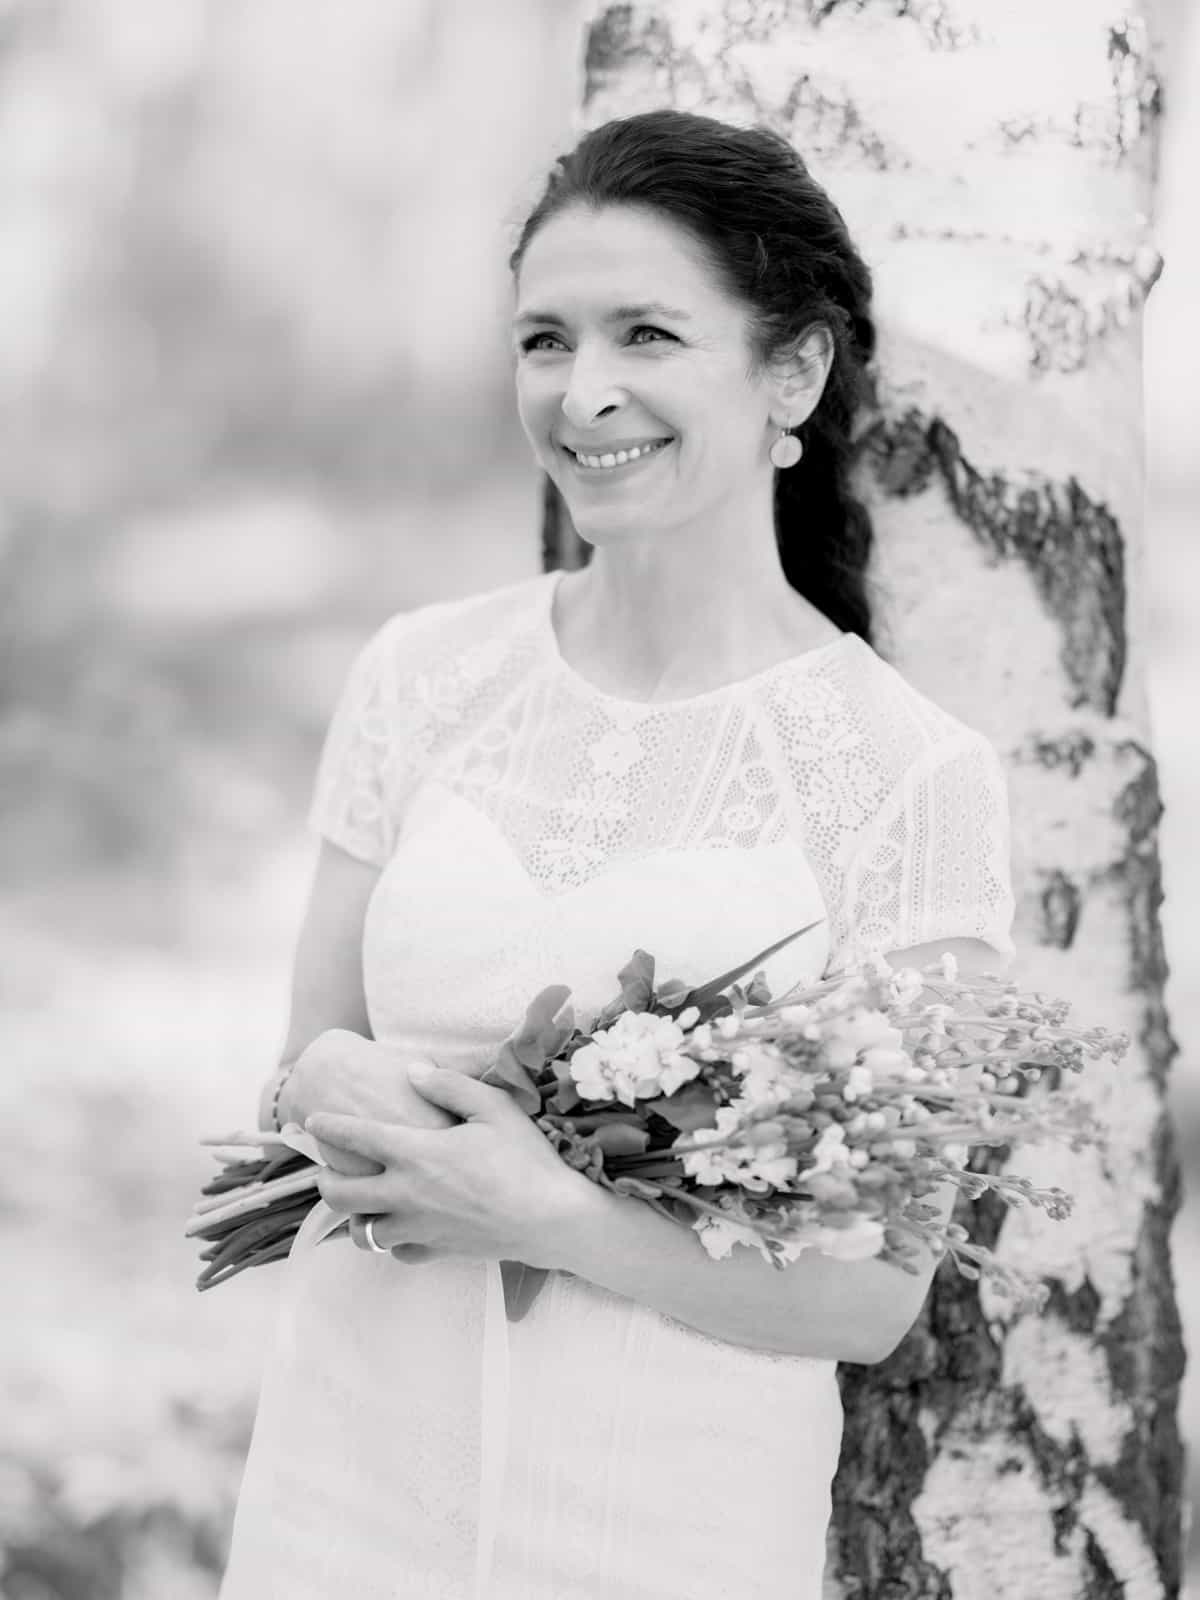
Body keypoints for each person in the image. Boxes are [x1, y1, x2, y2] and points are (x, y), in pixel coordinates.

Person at [217, 108, 1016, 1599]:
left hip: (660, 1515)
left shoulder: (913, 780)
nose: (584, 394)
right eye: (543, 340)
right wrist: (317, 1084)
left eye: (647, 333)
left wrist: (551, 1217)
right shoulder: (421, 677)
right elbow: (305, 1054)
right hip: (351, 1465)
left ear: (794, 369)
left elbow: (874, 1298)